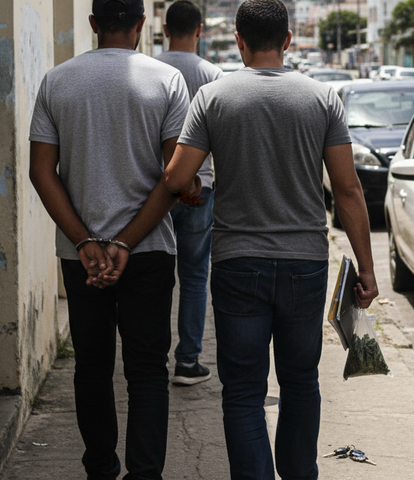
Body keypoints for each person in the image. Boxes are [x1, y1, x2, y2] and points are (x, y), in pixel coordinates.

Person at [162, 0, 379, 478]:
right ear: (287, 40)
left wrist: (193, 186)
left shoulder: (213, 97)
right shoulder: (322, 98)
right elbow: (347, 189)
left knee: (242, 391)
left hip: (239, 263)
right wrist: (366, 267)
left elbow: (176, 177)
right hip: (306, 262)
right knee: (301, 382)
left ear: (239, 41)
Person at [28, 0, 193, 477]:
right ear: (142, 25)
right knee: (147, 371)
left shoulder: (58, 81)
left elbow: (43, 173)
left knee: (92, 368)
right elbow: (174, 178)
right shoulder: (167, 81)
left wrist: (85, 243)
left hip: (84, 260)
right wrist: (125, 242)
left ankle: (100, 468)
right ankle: (145, 474)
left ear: (94, 24)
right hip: (149, 251)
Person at [155, 0, 223, 386]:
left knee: (159, 273)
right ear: (200, 31)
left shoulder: (151, 68)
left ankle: (153, 356)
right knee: (196, 276)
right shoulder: (214, 74)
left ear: (165, 30)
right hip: (203, 187)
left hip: (159, 189)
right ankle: (187, 360)